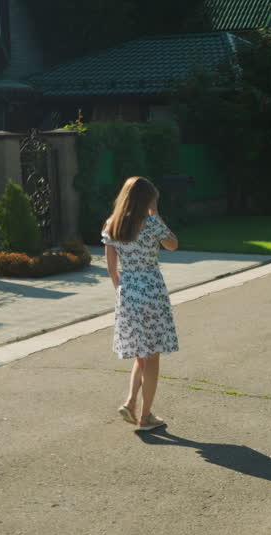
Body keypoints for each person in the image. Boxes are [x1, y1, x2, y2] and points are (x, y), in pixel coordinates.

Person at [101, 176, 180, 431]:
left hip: (128, 291)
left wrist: (123, 294)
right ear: (148, 200)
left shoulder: (112, 225)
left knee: (141, 353)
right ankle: (145, 417)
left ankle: (130, 401)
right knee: (153, 355)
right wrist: (156, 215)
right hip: (152, 289)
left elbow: (112, 269)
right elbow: (173, 245)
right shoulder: (151, 224)